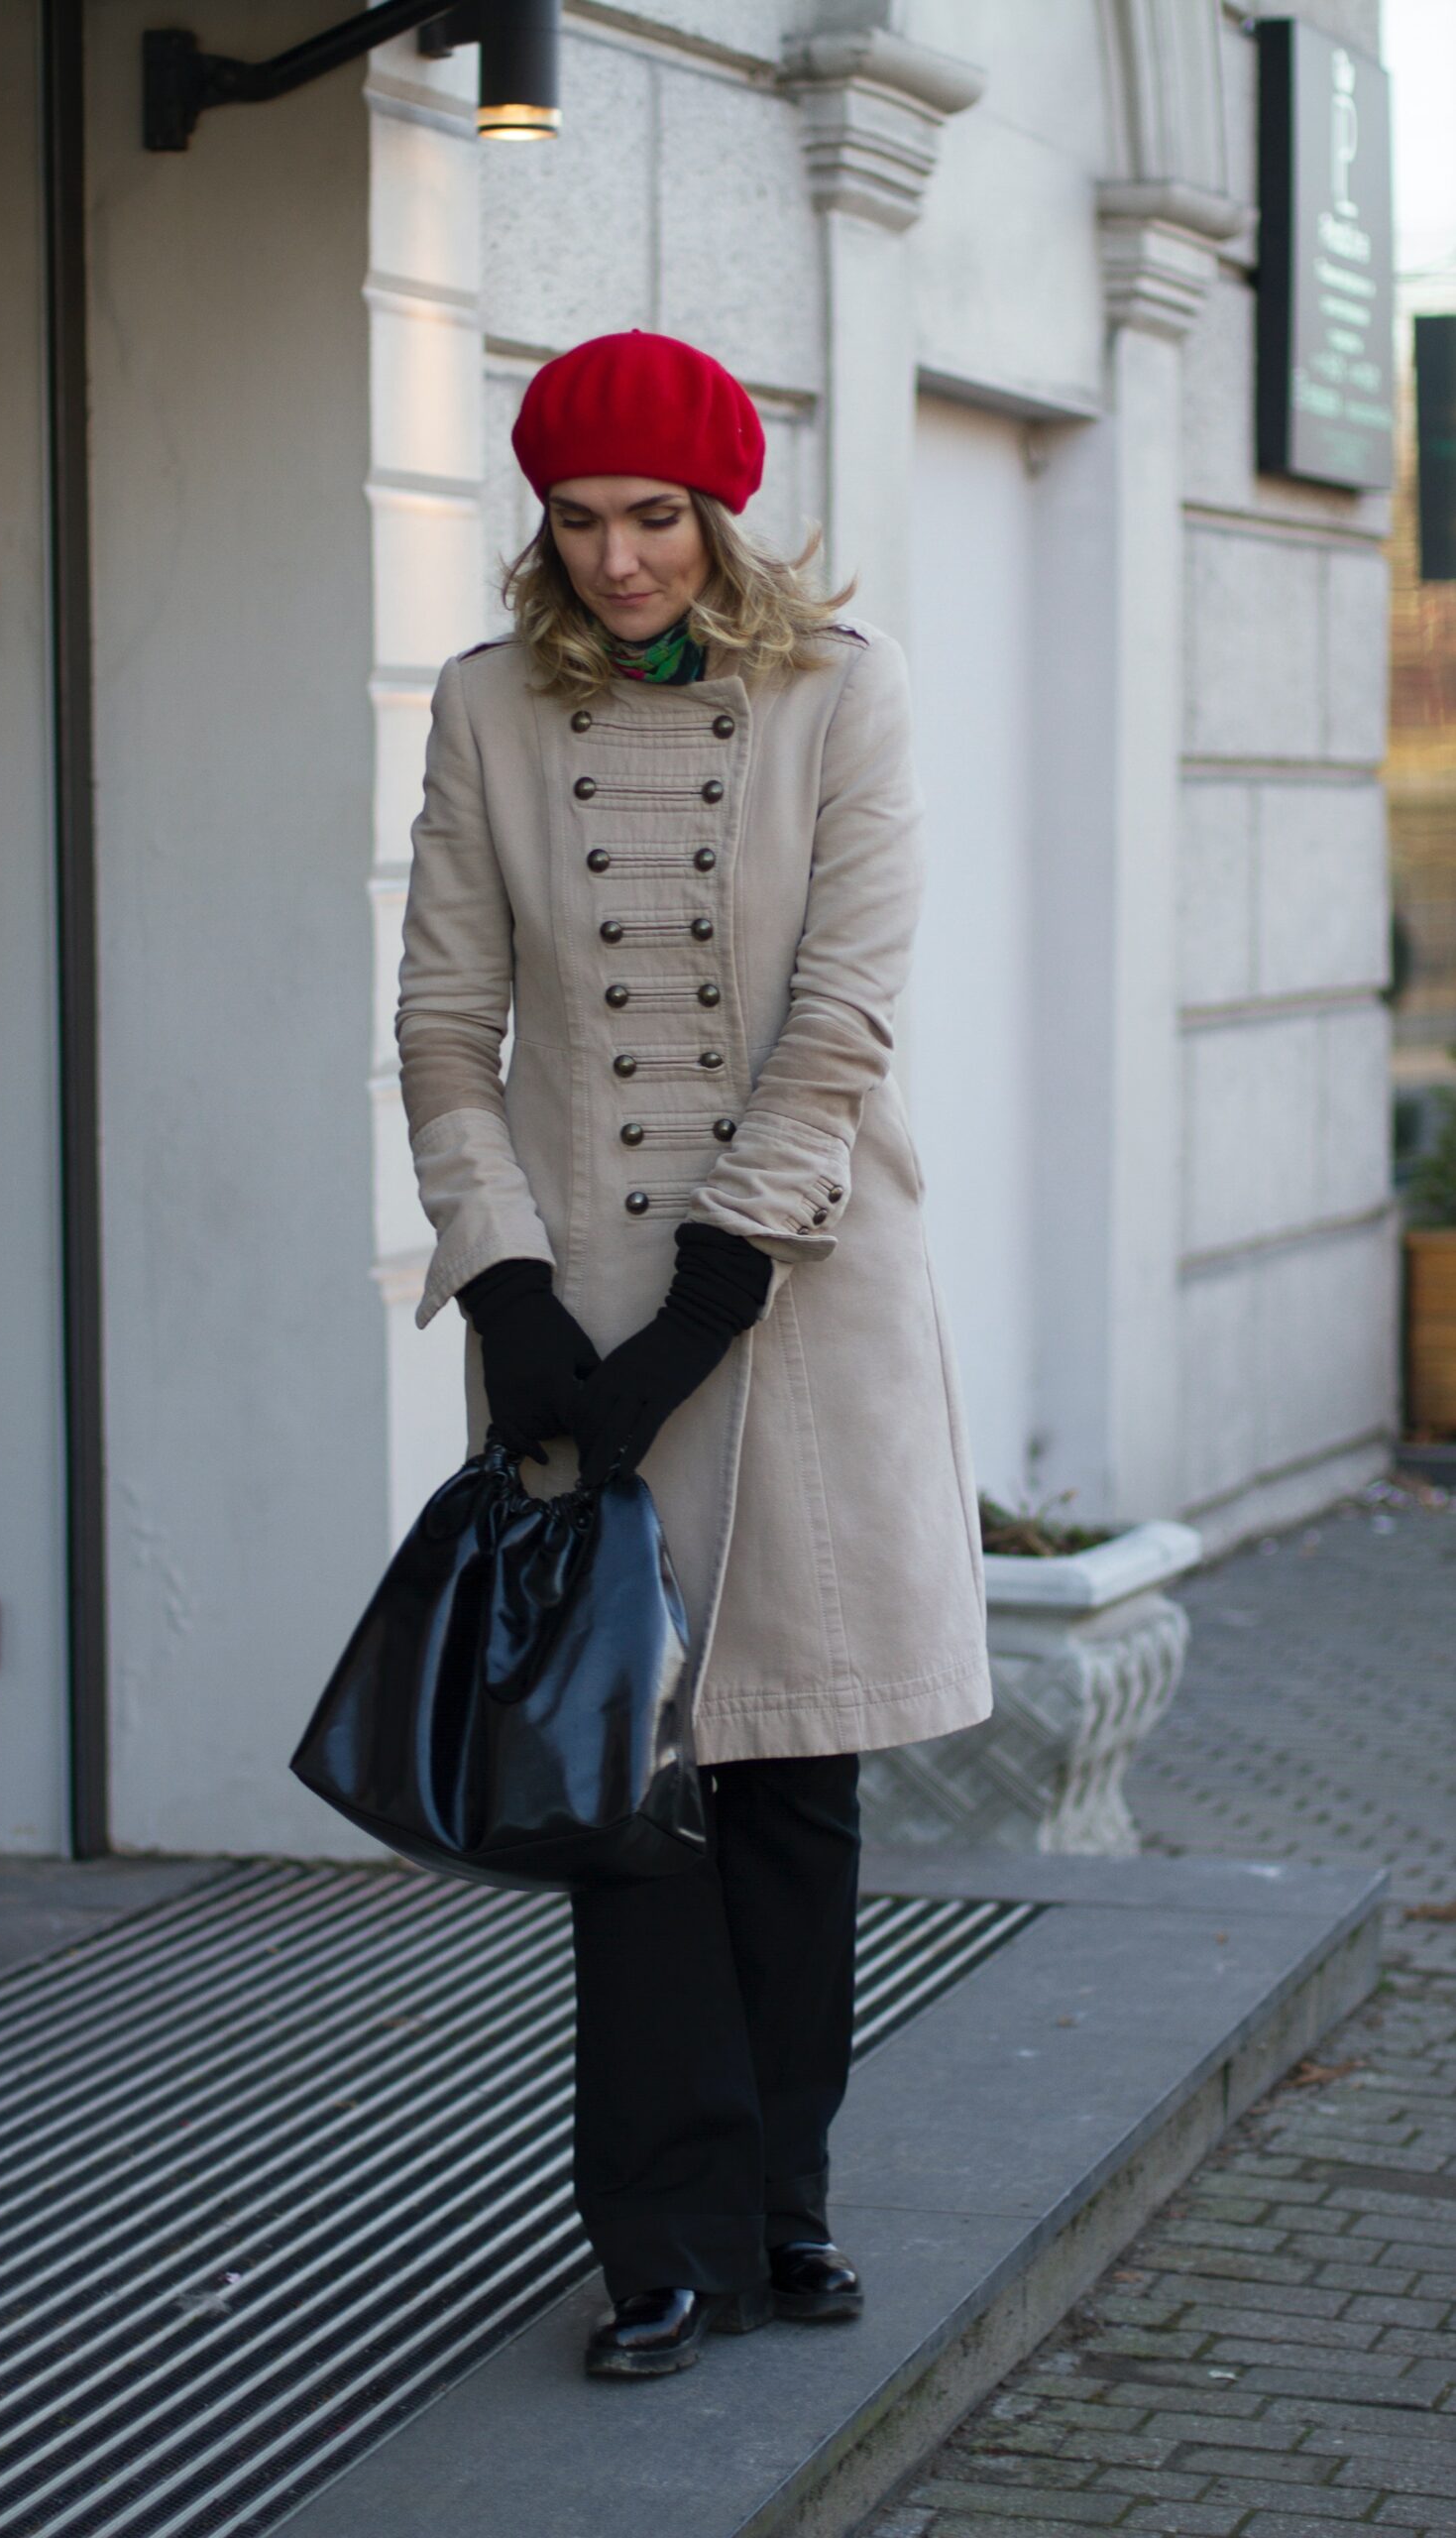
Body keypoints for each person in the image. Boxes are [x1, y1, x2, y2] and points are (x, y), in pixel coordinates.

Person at [393, 328, 992, 2380]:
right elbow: (440, 1022)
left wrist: (709, 1303)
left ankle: (784, 2206)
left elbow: (841, 1014)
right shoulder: (483, 711)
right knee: (624, 1790)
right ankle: (657, 2235)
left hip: (792, 1316)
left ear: (721, 515)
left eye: (653, 517)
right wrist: (508, 1286)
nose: (616, 559)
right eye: (576, 519)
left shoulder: (843, 690)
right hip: (572, 1323)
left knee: (788, 1784)